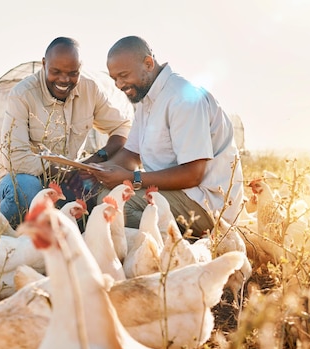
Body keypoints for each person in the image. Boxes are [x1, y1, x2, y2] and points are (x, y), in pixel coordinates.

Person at [87, 35, 244, 237]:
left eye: (123, 75)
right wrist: (98, 172)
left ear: (148, 63)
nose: (118, 84)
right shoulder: (146, 100)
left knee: (115, 205)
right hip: (174, 194)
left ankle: (185, 251)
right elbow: (131, 155)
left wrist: (131, 178)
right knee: (101, 195)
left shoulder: (182, 98)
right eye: (114, 78)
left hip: (204, 204)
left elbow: (192, 174)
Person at [0, 36, 133, 227]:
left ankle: (71, 243)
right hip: (22, 177)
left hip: (67, 178)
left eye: (73, 73)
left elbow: (122, 127)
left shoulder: (90, 90)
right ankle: (6, 243)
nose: (64, 80)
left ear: (80, 69)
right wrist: (61, 169)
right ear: (44, 64)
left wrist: (98, 158)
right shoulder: (22, 94)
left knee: (91, 194)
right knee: (26, 191)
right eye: (56, 71)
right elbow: (15, 159)